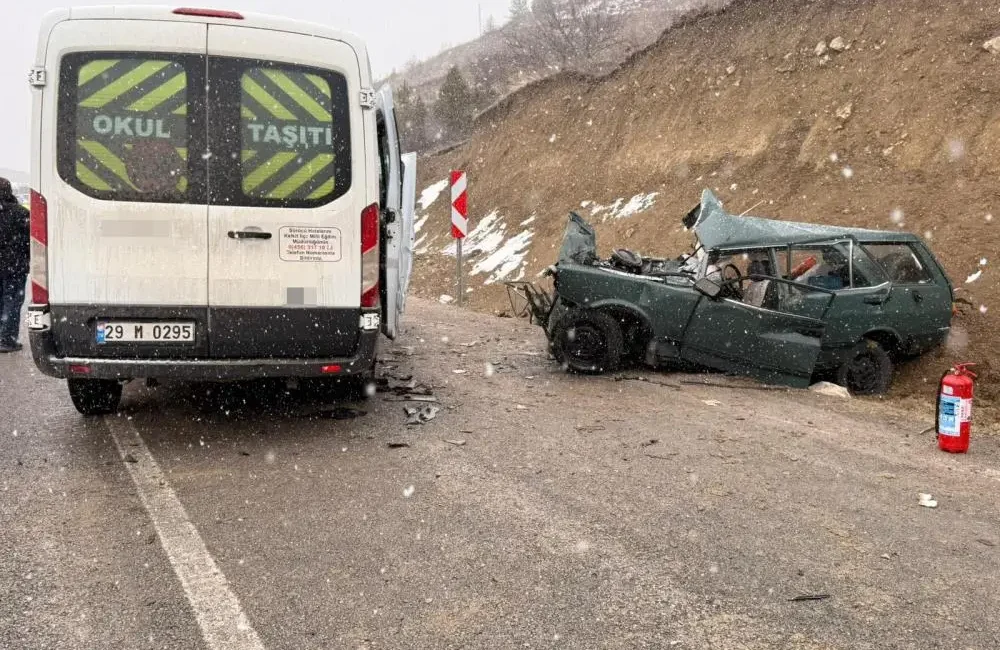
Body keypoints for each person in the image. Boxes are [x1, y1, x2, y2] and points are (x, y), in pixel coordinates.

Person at [0, 178, 30, 353]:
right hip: (15, 266)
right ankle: (7, 339)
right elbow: (30, 241)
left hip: (12, 264)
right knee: (11, 301)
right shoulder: (21, 213)